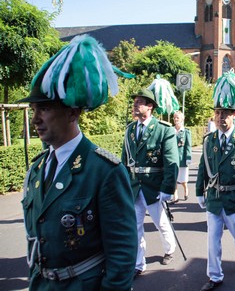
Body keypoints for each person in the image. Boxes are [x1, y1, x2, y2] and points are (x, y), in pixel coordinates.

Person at [19, 35, 137, 291]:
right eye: (34, 110)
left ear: (73, 112)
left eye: (45, 109)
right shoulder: (38, 168)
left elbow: (122, 255)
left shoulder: (104, 171)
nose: (36, 119)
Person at [196, 70, 235, 291]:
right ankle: (214, 276)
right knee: (212, 241)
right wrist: (199, 191)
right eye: (218, 113)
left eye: (225, 113)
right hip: (214, 198)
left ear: (234, 115)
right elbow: (203, 167)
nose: (221, 117)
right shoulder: (209, 140)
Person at [121, 87, 179, 276]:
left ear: (150, 106)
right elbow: (125, 160)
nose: (135, 105)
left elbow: (171, 162)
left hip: (154, 186)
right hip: (134, 186)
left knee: (160, 223)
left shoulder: (163, 130)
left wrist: (168, 187)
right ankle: (139, 263)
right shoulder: (130, 129)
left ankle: (170, 249)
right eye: (135, 102)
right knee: (135, 226)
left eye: (139, 102)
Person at [172, 110, 192, 203]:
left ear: (182, 119)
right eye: (175, 117)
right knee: (174, 178)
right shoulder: (171, 130)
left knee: (183, 180)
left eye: (178, 117)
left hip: (182, 159)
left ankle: (185, 189)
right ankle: (175, 197)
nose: (176, 119)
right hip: (172, 159)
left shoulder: (186, 132)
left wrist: (188, 158)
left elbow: (188, 146)